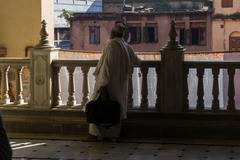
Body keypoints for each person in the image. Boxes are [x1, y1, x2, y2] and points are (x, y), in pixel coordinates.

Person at [85, 21, 140, 141]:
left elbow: (107, 66)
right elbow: (137, 61)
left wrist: (103, 84)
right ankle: (113, 136)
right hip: (120, 85)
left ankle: (94, 135)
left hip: (108, 83)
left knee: (98, 106)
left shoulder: (111, 45)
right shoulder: (126, 46)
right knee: (116, 109)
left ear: (113, 33)